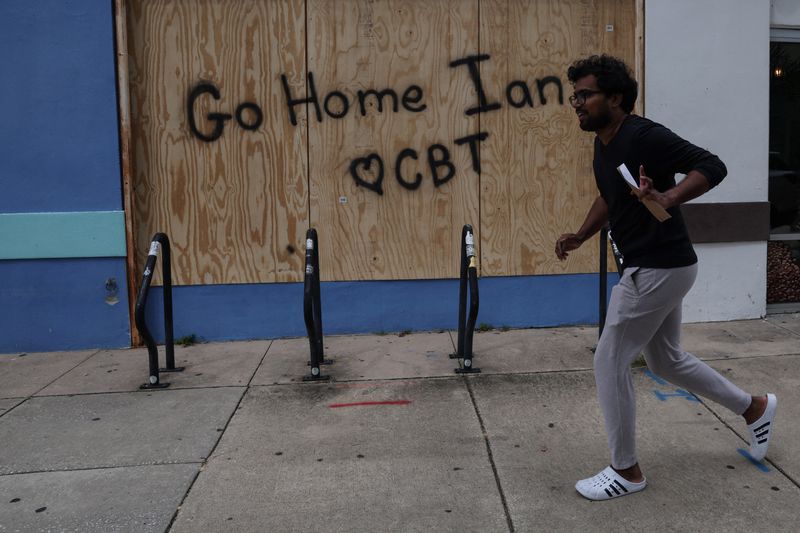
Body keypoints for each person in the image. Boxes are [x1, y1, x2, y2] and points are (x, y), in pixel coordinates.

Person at [555, 55, 777, 501]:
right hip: (664, 265)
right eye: (574, 95)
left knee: (608, 359)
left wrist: (669, 195)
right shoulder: (604, 142)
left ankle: (626, 470)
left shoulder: (644, 135)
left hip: (656, 266)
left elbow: (711, 164)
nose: (575, 103)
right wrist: (581, 234)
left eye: (585, 94)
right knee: (666, 360)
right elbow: (609, 196)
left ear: (614, 97)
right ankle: (754, 407)